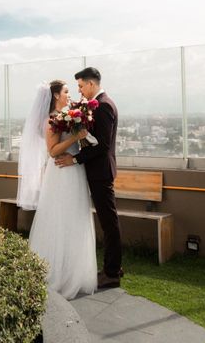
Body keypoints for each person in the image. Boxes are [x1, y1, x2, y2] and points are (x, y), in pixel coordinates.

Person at [18, 80, 97, 299]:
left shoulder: (68, 115)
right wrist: (75, 136)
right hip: (61, 173)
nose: (69, 94)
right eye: (66, 91)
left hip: (75, 172)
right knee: (59, 220)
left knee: (75, 219)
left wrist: (82, 135)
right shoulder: (52, 119)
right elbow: (52, 151)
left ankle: (74, 272)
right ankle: (56, 273)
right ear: (55, 96)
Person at [55, 67, 122, 288]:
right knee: (108, 221)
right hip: (99, 171)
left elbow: (101, 145)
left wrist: (74, 159)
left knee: (109, 223)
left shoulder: (103, 106)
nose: (80, 91)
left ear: (91, 84)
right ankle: (113, 267)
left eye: (81, 86)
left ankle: (112, 272)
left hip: (101, 172)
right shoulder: (101, 104)